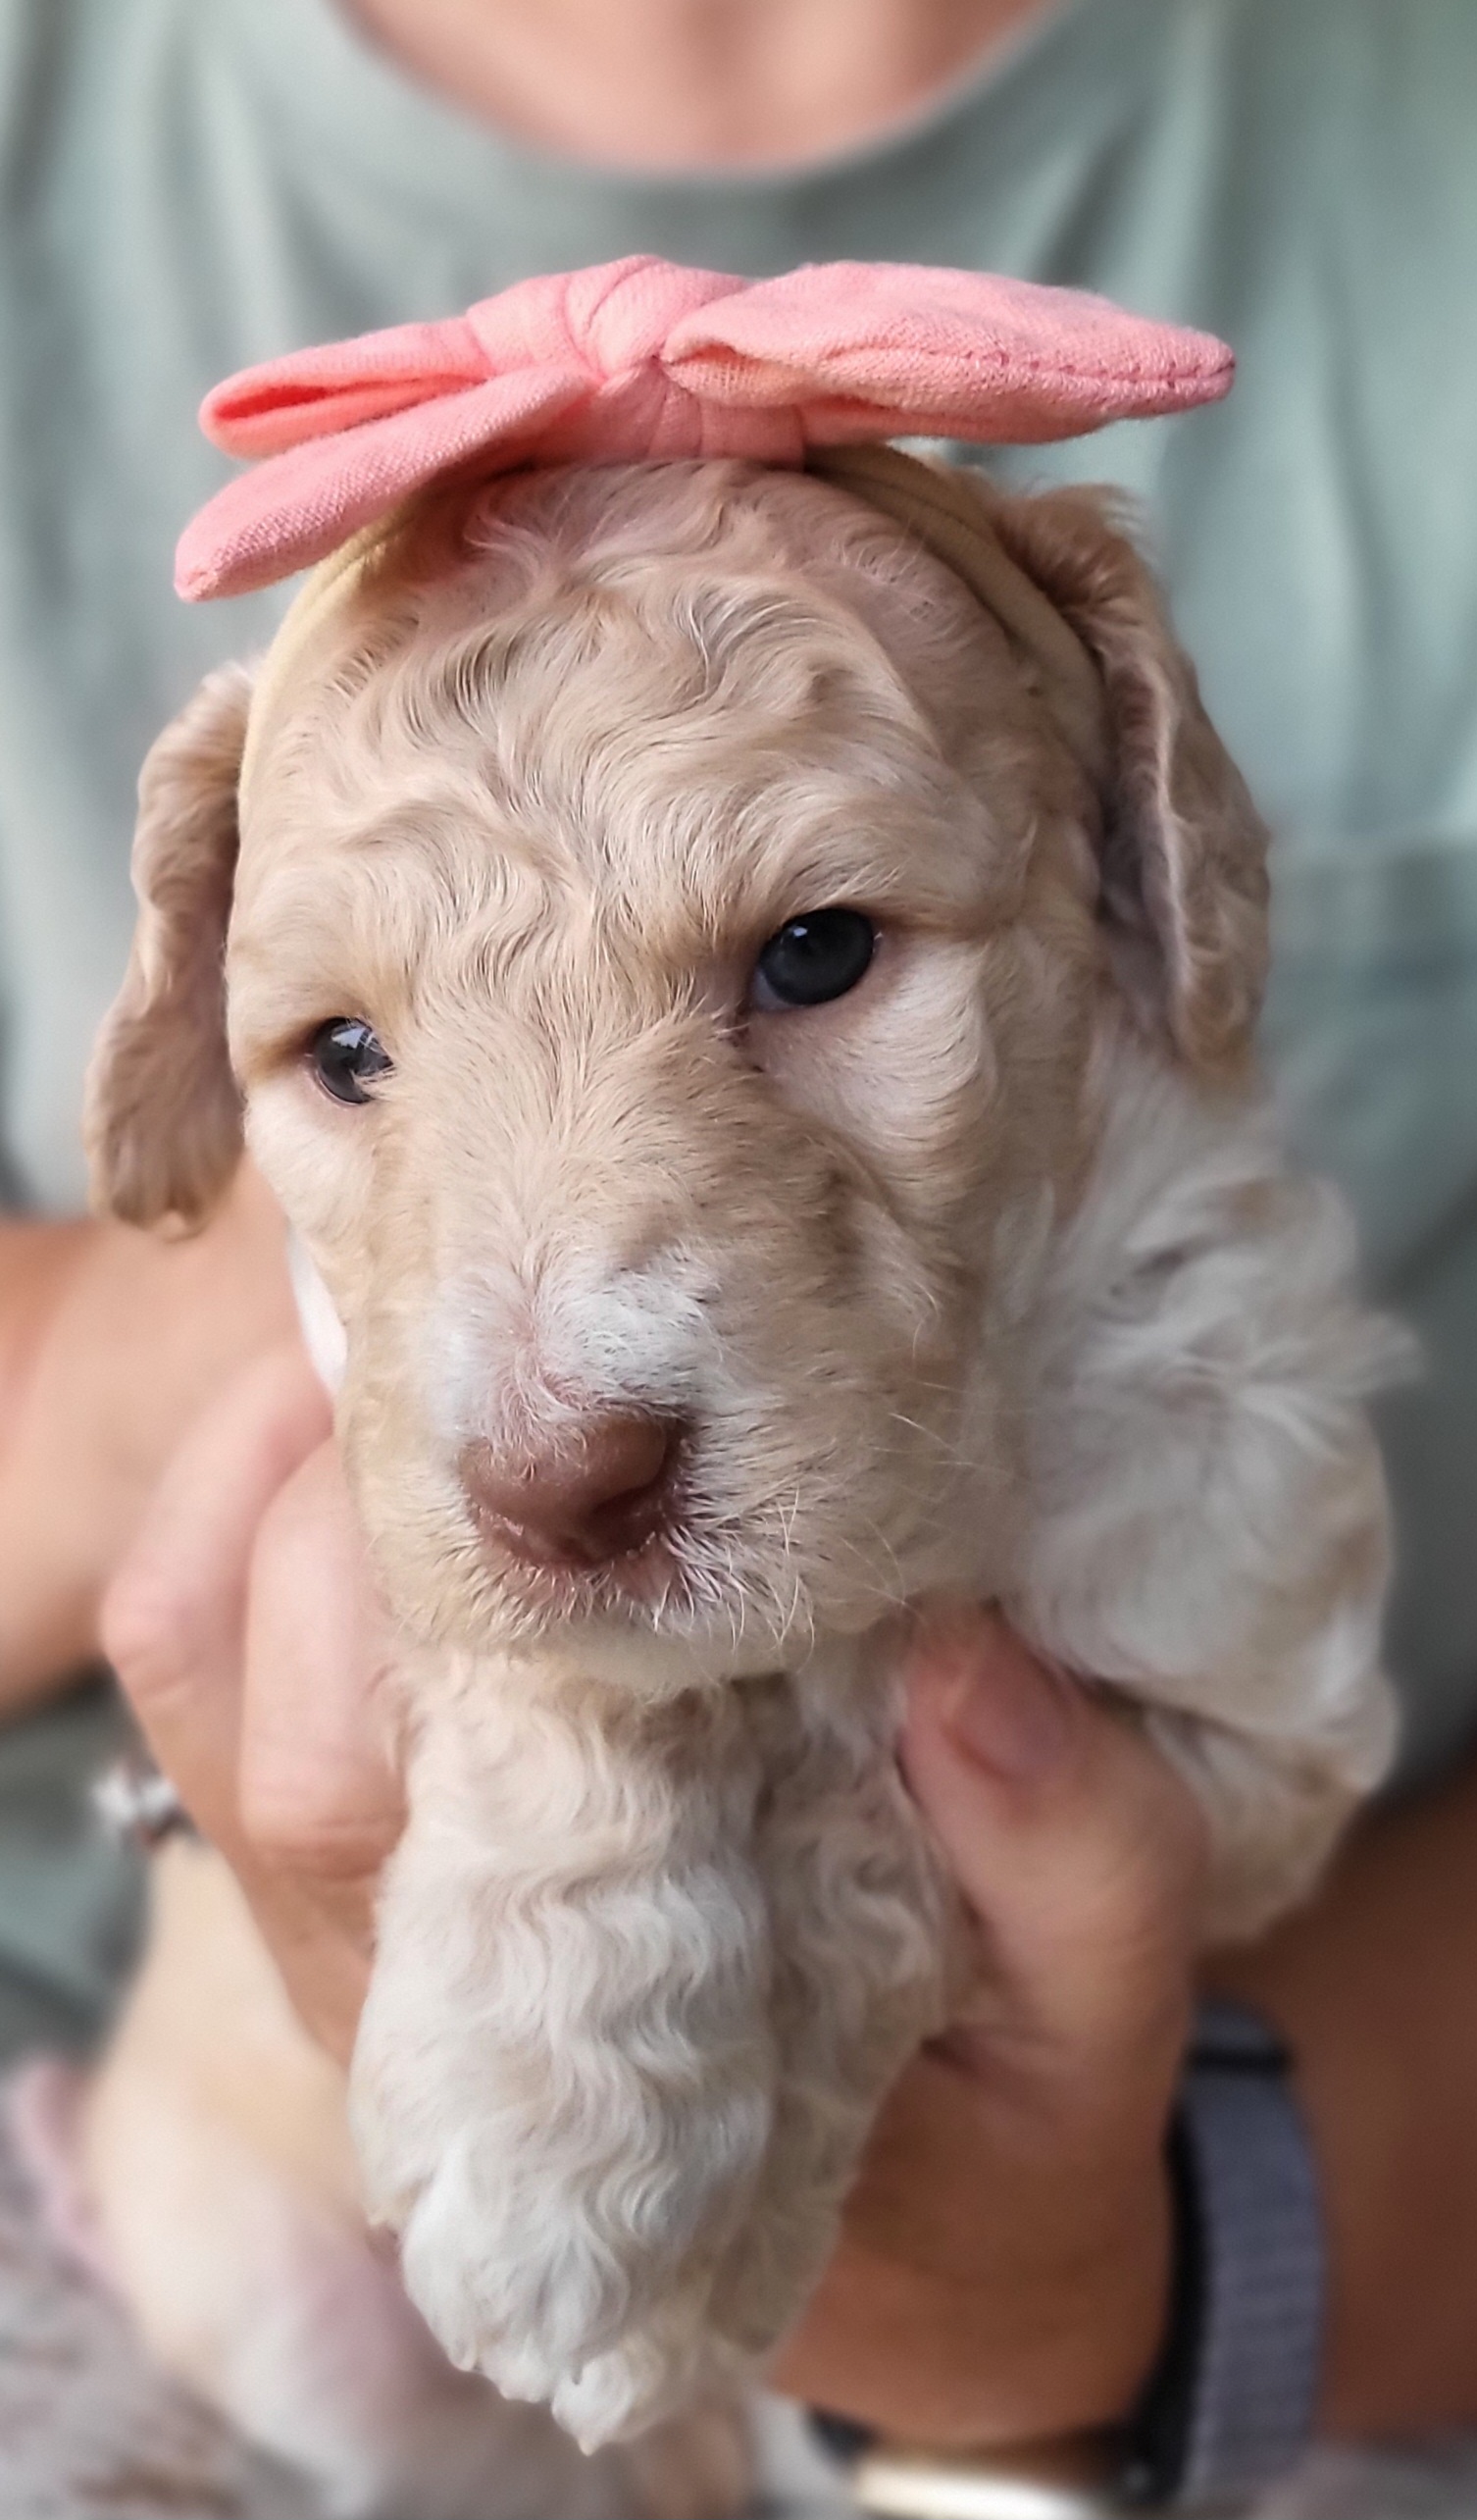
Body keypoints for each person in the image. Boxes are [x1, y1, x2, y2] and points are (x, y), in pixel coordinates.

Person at [2, 0, 1476, 2491]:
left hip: (1309, 2210)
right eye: (336, 1051)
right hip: (180, 2235)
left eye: (812, 955)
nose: (564, 1413)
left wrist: (1136, 2292)